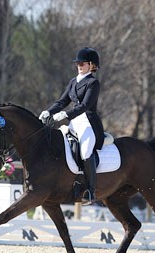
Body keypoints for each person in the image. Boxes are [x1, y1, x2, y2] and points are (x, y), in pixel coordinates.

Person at [39, 47, 104, 204]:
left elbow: (86, 105)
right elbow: (62, 101)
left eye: (82, 63)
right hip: (74, 122)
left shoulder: (93, 83)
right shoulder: (73, 82)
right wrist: (48, 112)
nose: (79, 66)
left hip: (88, 122)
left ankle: (90, 190)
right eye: (78, 63)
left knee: (85, 150)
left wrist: (66, 114)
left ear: (91, 65)